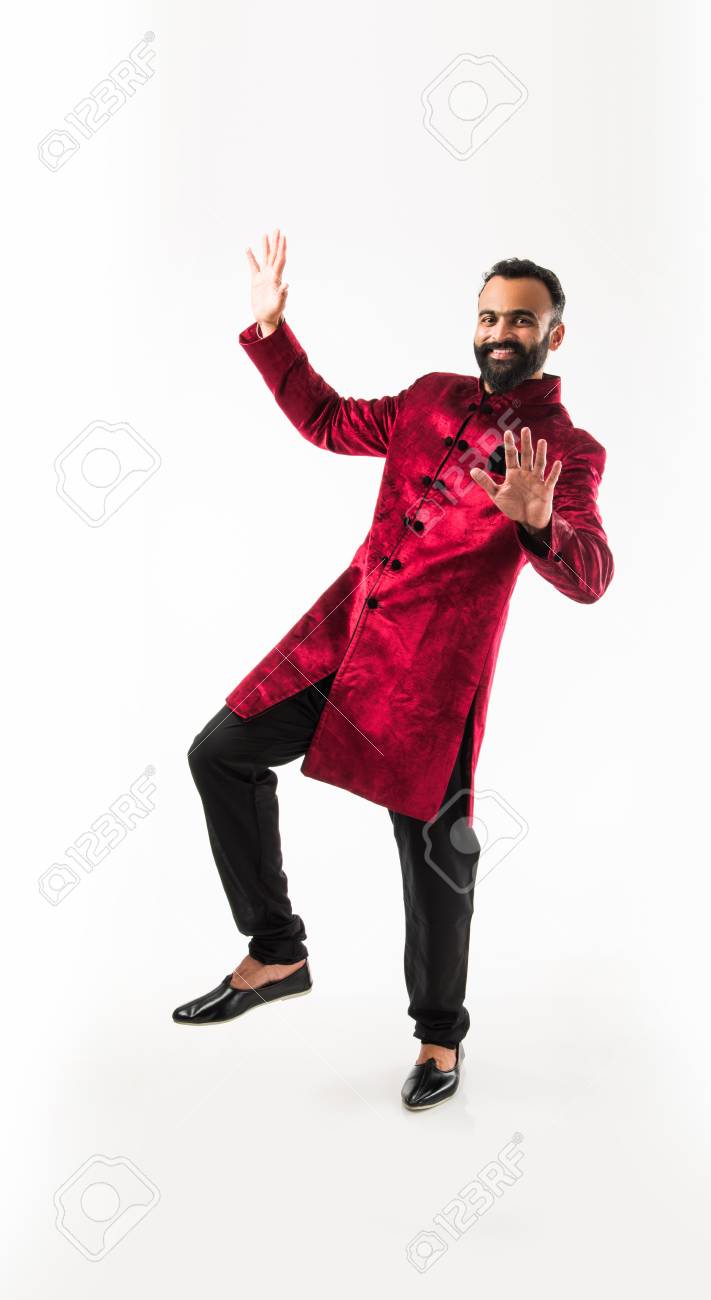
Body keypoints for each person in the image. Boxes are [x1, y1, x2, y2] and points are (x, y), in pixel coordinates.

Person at [172, 230, 614, 1111]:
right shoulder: (427, 398)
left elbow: (591, 575)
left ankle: (439, 1037)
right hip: (339, 637)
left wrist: (538, 522)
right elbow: (328, 422)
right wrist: (271, 330)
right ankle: (276, 952)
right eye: (488, 316)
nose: (499, 332)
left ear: (553, 335)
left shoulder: (566, 449)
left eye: (519, 320)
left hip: (430, 679)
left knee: (437, 859)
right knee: (218, 753)